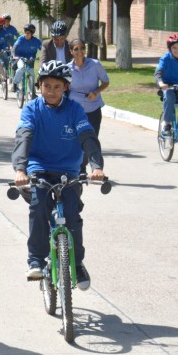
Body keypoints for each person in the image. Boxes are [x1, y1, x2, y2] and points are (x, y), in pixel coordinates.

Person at [12, 60, 106, 289]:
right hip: (39, 168)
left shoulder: (75, 109)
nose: (51, 91)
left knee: (73, 216)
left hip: (68, 170)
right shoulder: (32, 109)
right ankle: (35, 259)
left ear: (65, 87)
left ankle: (77, 263)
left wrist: (96, 167)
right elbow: (23, 137)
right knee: (38, 206)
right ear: (39, 86)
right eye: (46, 86)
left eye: (57, 86)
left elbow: (87, 137)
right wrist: (20, 169)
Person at [68, 38, 110, 173]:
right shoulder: (68, 69)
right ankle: (79, 168)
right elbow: (64, 87)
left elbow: (105, 82)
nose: (80, 52)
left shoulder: (95, 64)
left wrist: (96, 92)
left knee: (91, 139)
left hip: (93, 108)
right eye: (76, 49)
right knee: (76, 139)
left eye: (82, 48)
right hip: (75, 109)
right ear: (71, 51)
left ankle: (87, 165)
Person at [12, 23, 42, 94]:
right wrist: (14, 56)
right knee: (21, 68)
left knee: (32, 73)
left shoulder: (36, 41)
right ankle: (15, 84)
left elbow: (43, 49)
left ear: (32, 33)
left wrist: (43, 57)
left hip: (31, 58)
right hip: (20, 57)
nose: (26, 34)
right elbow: (14, 48)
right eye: (26, 32)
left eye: (28, 33)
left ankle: (33, 92)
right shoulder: (21, 38)